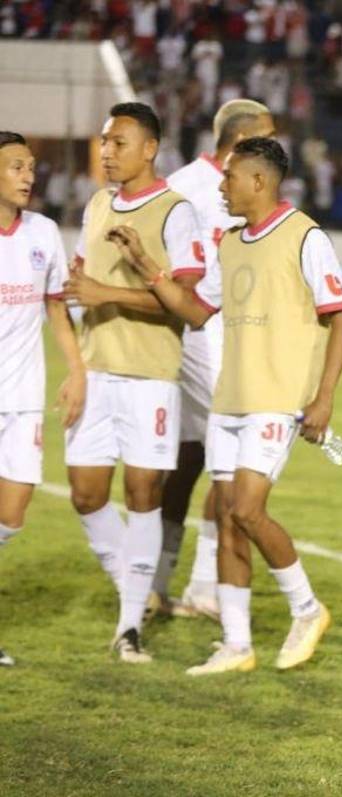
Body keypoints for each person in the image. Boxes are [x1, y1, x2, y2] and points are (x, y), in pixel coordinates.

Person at [113, 137, 342, 674]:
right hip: (230, 397)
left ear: (260, 181)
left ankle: (307, 608)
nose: (221, 187)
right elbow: (197, 311)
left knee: (247, 508)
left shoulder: (304, 236)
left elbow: (340, 316)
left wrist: (325, 396)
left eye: (230, 178)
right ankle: (237, 644)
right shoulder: (229, 241)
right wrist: (147, 265)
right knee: (226, 517)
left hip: (277, 397)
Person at [62, 103, 206, 663]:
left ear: (150, 149)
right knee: (85, 495)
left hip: (150, 379)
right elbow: (79, 287)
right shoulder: (97, 204)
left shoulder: (176, 212)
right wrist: (74, 369)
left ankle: (129, 628)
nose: (106, 151)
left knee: (143, 495)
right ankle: (139, 589)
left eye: (119, 142)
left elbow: (187, 304)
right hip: (95, 375)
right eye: (104, 141)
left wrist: (108, 295)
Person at [153, 99, 276, 620]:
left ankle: (155, 582)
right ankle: (205, 584)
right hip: (205, 332)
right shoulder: (199, 188)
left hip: (200, 332)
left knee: (189, 459)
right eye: (267, 135)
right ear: (241, 139)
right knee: (235, 451)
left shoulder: (187, 182)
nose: (276, 145)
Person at [0, 131, 87, 666]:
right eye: (15, 167)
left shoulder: (44, 233)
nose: (28, 175)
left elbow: (57, 307)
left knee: (12, 514)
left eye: (30, 167)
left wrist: (77, 371)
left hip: (23, 396)